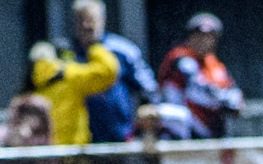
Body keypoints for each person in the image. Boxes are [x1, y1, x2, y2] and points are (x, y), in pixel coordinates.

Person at [71, 0, 156, 143]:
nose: (86, 25)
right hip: (78, 140)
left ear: (102, 20)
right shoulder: (67, 54)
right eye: (81, 20)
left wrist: (146, 111)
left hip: (120, 136)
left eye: (91, 19)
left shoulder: (122, 50)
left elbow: (149, 88)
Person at [158, 12, 243, 139]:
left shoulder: (214, 63)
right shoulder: (181, 58)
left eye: (209, 36)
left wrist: (234, 100)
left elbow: (232, 88)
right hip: (179, 125)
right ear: (190, 37)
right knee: (178, 116)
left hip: (207, 127)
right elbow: (196, 89)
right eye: (198, 35)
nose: (203, 40)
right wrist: (224, 100)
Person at [25, 36, 117, 146]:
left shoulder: (31, 81)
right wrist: (94, 47)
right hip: (73, 149)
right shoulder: (70, 74)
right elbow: (107, 72)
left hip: (44, 151)